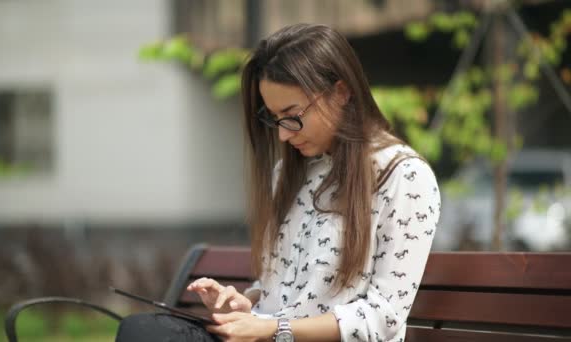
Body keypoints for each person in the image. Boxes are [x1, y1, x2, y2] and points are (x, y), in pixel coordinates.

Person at [115, 23, 440, 342]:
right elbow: (280, 291)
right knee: (143, 330)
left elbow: (383, 318)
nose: (283, 134)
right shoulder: (289, 173)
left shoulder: (403, 176)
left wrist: (273, 329)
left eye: (292, 114)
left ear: (341, 93)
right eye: (274, 117)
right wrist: (248, 303)